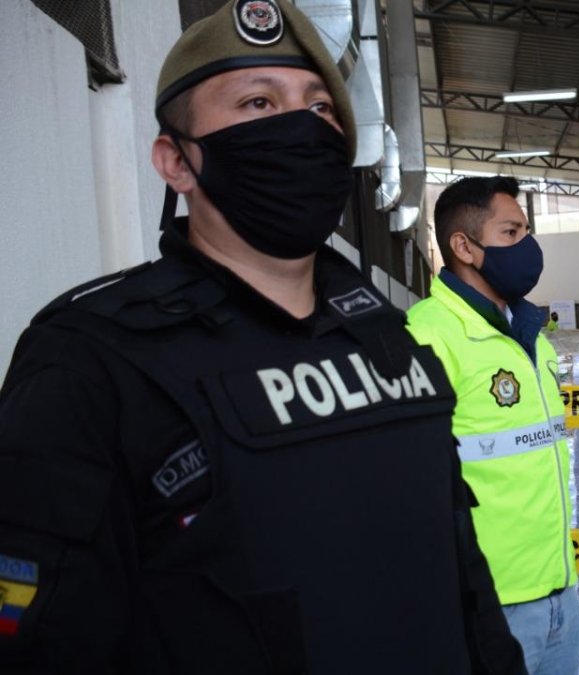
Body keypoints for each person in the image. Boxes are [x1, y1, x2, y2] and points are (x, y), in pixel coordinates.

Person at [0, 2, 523, 673]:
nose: (301, 127)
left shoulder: (388, 337)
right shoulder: (92, 362)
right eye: (258, 102)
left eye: (320, 107)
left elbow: (464, 583)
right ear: (176, 161)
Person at [406, 177, 579, 675]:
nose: (527, 245)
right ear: (464, 247)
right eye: (510, 233)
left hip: (561, 591)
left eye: (527, 231)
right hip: (490, 606)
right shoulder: (426, 336)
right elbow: (410, 485)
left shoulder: (530, 335)